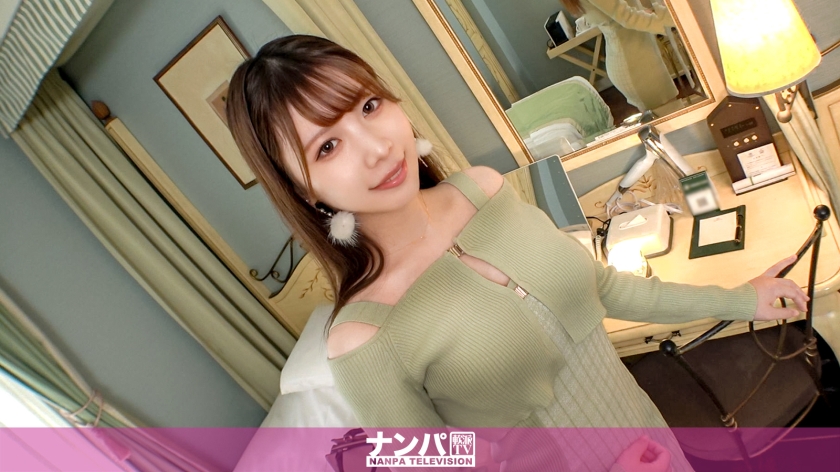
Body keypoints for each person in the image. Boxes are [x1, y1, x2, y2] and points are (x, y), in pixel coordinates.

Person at [225, 35, 808, 471]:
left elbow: (604, 288)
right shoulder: (363, 340)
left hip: (656, 442)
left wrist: (742, 299)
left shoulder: (484, 190)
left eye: (369, 107)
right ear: (302, 188)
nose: (376, 148)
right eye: (328, 146)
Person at [561, 0, 679, 112]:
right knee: (670, 115)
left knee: (669, 112)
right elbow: (628, 18)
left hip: (638, 55)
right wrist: (679, 22)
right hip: (634, 63)